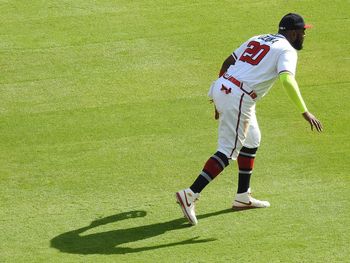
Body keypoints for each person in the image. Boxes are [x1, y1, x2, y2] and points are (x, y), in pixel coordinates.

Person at [175, 13, 323, 225]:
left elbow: (228, 61)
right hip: (239, 96)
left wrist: (220, 97)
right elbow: (287, 80)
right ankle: (190, 194)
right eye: (302, 31)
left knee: (252, 139)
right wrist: (304, 111)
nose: (304, 35)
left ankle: (242, 197)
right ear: (292, 33)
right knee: (228, 150)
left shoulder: (259, 38)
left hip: (225, 87)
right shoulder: (287, 50)